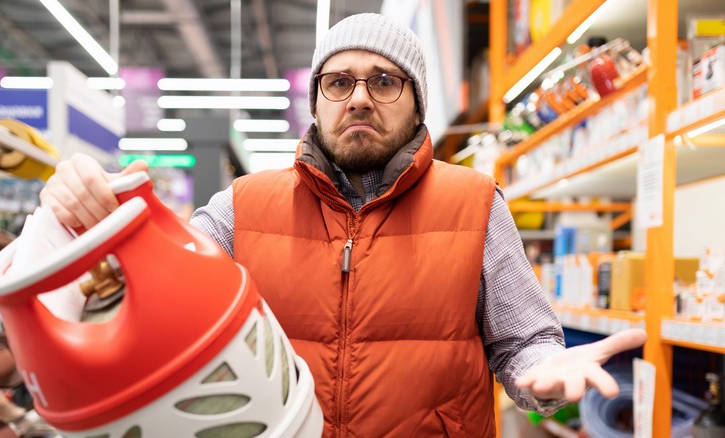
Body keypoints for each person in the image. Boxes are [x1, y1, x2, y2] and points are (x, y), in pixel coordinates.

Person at [40, 13, 647, 437]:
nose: (359, 97)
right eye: (339, 81)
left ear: (416, 103)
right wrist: (88, 222)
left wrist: (543, 376)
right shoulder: (241, 206)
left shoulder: (476, 203)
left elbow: (525, 347)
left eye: (383, 81)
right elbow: (161, 291)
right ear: (318, 100)